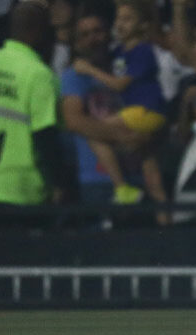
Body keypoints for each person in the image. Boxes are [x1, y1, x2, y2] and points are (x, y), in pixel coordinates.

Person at [0, 1, 66, 210]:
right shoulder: (38, 75)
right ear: (38, 31)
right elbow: (45, 136)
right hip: (18, 190)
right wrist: (59, 183)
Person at [72, 0, 168, 211]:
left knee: (95, 133)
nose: (120, 24)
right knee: (153, 179)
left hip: (145, 112)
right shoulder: (120, 52)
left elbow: (119, 84)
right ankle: (166, 224)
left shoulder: (143, 51)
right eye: (118, 19)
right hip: (137, 113)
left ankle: (121, 188)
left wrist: (89, 70)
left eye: (128, 19)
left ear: (142, 25)